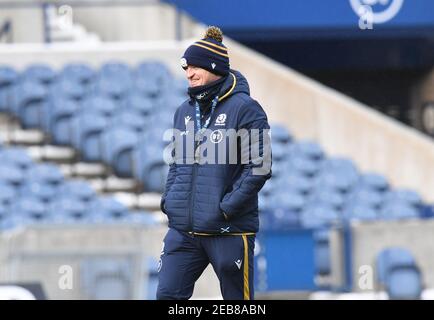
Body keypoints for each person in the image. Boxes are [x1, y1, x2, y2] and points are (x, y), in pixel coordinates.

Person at [157, 26, 272, 300]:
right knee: (167, 297)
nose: (189, 73)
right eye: (186, 68)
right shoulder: (184, 111)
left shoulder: (245, 108)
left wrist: (226, 208)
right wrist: (170, 201)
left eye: (195, 66)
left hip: (228, 229)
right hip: (183, 230)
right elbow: (177, 163)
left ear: (214, 67)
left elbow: (260, 165)